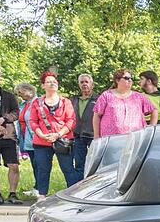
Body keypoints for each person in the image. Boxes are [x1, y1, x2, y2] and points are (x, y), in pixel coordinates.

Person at [28, 71, 77, 200]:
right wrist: (42, 135)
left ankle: (73, 195)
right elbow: (33, 121)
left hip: (63, 140)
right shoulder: (36, 103)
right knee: (42, 169)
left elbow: (71, 120)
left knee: (68, 168)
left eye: (54, 81)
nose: (52, 84)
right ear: (43, 85)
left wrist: (58, 134)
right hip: (41, 142)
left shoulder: (65, 102)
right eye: (49, 82)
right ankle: (42, 194)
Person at [92, 69, 157, 138]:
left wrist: (150, 129)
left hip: (135, 140)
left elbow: (154, 111)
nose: (130, 80)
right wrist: (96, 136)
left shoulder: (138, 97)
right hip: (110, 140)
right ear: (117, 80)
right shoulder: (106, 95)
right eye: (126, 78)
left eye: (131, 78)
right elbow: (96, 116)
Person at [0, 68, 22, 205]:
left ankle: (13, 194)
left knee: (13, 165)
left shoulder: (8, 95)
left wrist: (4, 118)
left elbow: (16, 112)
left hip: (8, 135)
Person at [70, 74, 98, 182]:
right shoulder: (74, 100)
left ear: (92, 84)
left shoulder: (99, 99)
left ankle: (94, 186)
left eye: (86, 82)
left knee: (94, 163)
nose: (84, 84)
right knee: (79, 164)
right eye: (82, 82)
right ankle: (79, 188)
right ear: (79, 85)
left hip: (93, 136)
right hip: (78, 136)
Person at [14, 82, 40, 197]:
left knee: (39, 164)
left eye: (20, 92)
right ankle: (37, 187)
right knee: (34, 164)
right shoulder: (23, 104)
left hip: (36, 138)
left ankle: (40, 189)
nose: (19, 95)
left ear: (27, 90)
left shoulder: (38, 102)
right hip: (26, 138)